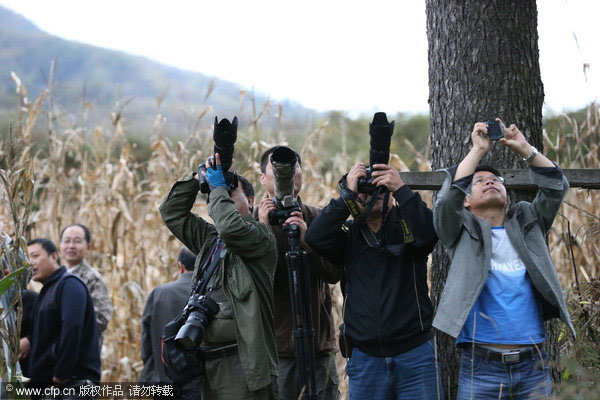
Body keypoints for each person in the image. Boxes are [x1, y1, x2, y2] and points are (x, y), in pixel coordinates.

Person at [432, 120, 575, 399]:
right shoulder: (460, 231)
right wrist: (478, 150)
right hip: (480, 365)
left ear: (507, 194)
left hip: (534, 363)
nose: (489, 182)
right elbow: (446, 200)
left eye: (496, 180)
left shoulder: (528, 222)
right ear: (466, 201)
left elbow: (557, 186)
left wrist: (525, 150)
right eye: (479, 181)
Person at [305, 158, 443, 399]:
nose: (373, 194)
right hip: (365, 357)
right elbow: (315, 238)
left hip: (415, 354)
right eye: (365, 190)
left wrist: (401, 188)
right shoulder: (347, 236)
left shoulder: (406, 228)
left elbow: (431, 232)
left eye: (379, 189)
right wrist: (347, 195)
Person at [159, 153, 278, 400]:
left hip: (242, 366)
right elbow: (171, 212)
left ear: (251, 201)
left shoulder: (260, 237)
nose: (222, 199)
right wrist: (196, 178)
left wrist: (218, 188)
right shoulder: (210, 239)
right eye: (219, 195)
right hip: (207, 363)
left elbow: (231, 227)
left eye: (229, 195)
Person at [255, 146, 340, 400]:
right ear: (262, 178)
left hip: (319, 348)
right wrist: (264, 228)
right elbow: (256, 280)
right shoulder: (253, 225)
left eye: (294, 169)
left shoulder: (319, 217)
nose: (287, 176)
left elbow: (334, 273)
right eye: (277, 170)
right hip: (278, 353)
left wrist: (306, 243)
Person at [26, 238, 100, 387]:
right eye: (27, 259)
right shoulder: (46, 292)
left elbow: (72, 328)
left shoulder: (70, 285)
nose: (30, 263)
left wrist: (62, 372)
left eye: (35, 256)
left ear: (54, 256)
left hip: (71, 383)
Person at [140, 247, 197, 383]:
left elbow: (146, 341)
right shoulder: (211, 293)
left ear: (180, 267)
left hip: (164, 379)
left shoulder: (159, 293)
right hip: (201, 383)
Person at [59, 224, 113, 337]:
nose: (71, 246)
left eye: (77, 241)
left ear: (88, 246)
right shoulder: (57, 275)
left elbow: (102, 319)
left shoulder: (92, 278)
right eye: (66, 241)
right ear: (60, 245)